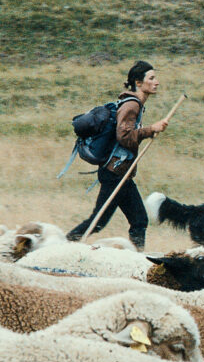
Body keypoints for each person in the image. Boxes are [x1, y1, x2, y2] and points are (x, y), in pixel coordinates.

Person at [66, 61, 169, 249]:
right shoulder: (132, 105)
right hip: (114, 174)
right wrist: (149, 129)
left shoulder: (133, 104)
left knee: (139, 220)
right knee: (99, 221)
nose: (157, 82)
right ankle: (64, 245)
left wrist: (148, 131)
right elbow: (124, 136)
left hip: (121, 173)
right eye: (151, 78)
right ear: (138, 83)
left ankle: (136, 261)